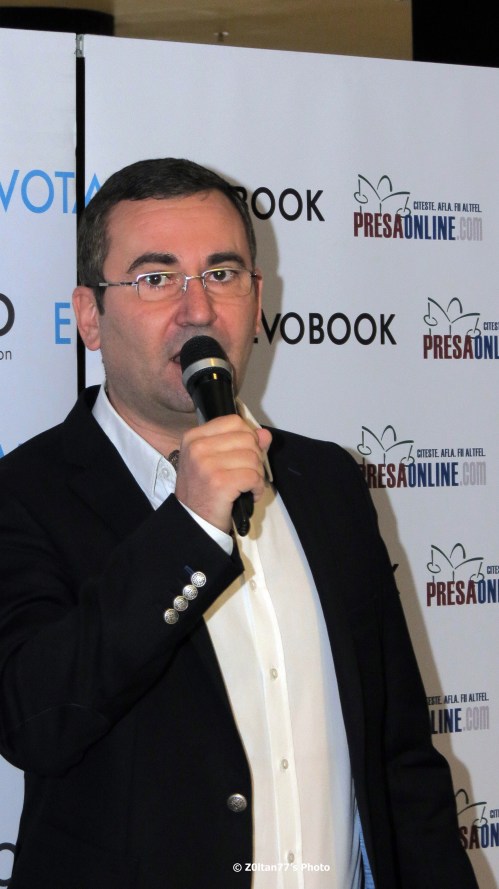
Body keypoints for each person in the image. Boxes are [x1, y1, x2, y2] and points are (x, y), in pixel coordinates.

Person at [0, 158, 478, 889]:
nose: (197, 309)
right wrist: (190, 526)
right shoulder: (26, 493)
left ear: (257, 302)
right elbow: (34, 719)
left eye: (221, 274)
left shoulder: (327, 482)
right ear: (89, 316)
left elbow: (399, 755)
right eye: (156, 278)